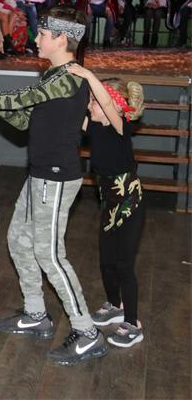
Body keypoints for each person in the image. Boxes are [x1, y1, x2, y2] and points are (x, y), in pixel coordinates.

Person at [0, 6, 109, 366]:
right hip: (40, 174)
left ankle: (87, 332)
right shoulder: (54, 76)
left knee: (51, 256)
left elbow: (19, 99)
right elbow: (24, 117)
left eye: (42, 34)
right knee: (18, 240)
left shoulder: (67, 78)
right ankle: (36, 312)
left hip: (56, 177)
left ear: (61, 38)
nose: (36, 39)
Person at [66, 66, 146, 349]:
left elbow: (109, 106)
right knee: (106, 260)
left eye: (94, 101)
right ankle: (115, 305)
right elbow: (71, 113)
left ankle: (133, 323)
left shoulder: (119, 127)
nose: (90, 106)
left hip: (130, 203)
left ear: (114, 104)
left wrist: (89, 76)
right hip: (109, 204)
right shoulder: (96, 128)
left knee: (124, 263)